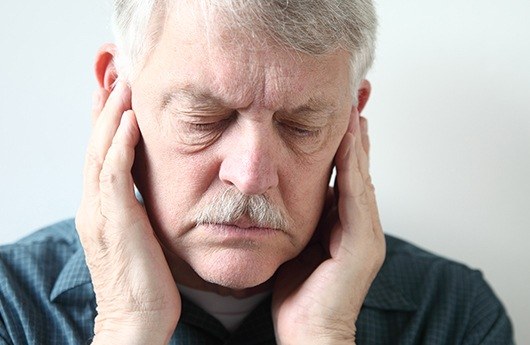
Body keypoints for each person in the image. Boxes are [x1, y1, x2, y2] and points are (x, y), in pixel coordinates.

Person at [0, 0, 514, 344]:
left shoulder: (453, 313)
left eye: (300, 124)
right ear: (117, 90)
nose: (251, 175)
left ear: (351, 119)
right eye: (205, 118)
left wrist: (327, 333)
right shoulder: (11, 305)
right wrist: (127, 325)